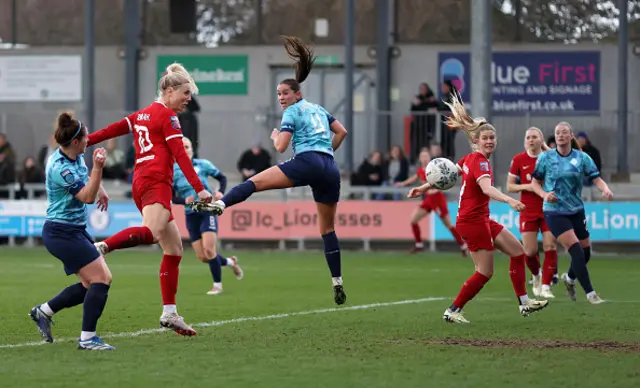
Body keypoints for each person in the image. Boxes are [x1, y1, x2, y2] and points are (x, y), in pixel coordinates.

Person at [198, 36, 348, 305]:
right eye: (278, 94)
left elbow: (280, 147)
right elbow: (342, 132)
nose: (281, 98)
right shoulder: (318, 108)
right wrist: (328, 150)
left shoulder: (291, 112)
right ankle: (337, 281)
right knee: (327, 229)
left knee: (254, 182)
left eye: (285, 94)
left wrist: (275, 135)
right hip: (329, 167)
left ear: (296, 94)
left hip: (307, 161)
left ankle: (221, 205)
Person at [85, 63, 213, 336]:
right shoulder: (168, 117)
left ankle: (170, 313)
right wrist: (200, 188)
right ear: (168, 91)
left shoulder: (142, 114)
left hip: (142, 182)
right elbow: (180, 155)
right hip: (156, 182)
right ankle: (100, 247)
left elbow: (111, 131)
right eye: (185, 93)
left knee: (174, 249)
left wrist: (85, 141)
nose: (189, 99)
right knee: (152, 233)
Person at [408, 95, 548, 324]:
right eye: (486, 138)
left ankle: (524, 302)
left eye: (492, 137)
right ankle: (453, 310)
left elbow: (447, 174)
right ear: (476, 141)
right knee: (484, 272)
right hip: (472, 221)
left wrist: (422, 187)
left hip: (479, 219)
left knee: (518, 251)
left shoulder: (471, 158)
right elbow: (487, 188)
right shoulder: (480, 161)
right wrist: (510, 201)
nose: (490, 141)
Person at [29, 112, 114, 350]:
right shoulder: (58, 167)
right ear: (76, 141)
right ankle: (87, 339)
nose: (89, 140)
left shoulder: (73, 155)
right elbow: (86, 196)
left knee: (90, 284)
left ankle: (43, 311)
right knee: (102, 279)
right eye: (86, 137)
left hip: (73, 230)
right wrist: (99, 168)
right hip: (61, 233)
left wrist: (101, 188)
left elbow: (86, 178)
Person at [530, 122, 613, 304]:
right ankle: (591, 295)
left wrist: (604, 189)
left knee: (585, 253)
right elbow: (534, 182)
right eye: (557, 132)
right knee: (576, 251)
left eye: (564, 132)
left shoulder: (582, 158)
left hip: (576, 210)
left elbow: (596, 178)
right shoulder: (546, 158)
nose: (560, 135)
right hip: (554, 211)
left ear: (570, 136)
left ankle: (569, 278)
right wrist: (544, 194)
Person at [173, 137, 244, 295]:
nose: (185, 150)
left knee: (209, 250)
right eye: (182, 147)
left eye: (187, 147)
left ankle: (217, 286)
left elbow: (222, 178)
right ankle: (230, 262)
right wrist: (184, 200)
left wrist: (220, 192)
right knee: (203, 257)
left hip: (207, 210)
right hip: (190, 215)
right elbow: (170, 196)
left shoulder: (202, 165)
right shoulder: (174, 171)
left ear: (192, 150)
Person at [507, 127, 558, 299]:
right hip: (527, 209)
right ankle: (536, 275)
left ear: (541, 140)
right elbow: (510, 186)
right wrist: (527, 186)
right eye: (528, 137)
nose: (531, 140)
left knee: (550, 245)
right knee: (529, 252)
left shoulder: (548, 158)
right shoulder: (519, 159)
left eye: (535, 137)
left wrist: (545, 147)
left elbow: (560, 160)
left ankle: (546, 286)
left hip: (549, 208)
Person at [396, 149, 468, 256]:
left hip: (437, 199)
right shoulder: (420, 170)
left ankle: (463, 246)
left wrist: (435, 189)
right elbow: (414, 178)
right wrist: (402, 183)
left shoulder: (435, 169)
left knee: (448, 224)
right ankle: (419, 244)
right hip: (428, 200)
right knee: (413, 220)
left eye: (426, 156)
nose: (424, 158)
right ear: (419, 159)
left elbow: (443, 181)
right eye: (422, 156)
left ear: (429, 158)